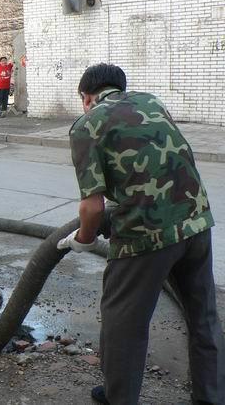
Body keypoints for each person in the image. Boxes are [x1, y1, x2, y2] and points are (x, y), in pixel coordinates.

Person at [58, 63, 225, 405]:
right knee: (204, 317)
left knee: (124, 328)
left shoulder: (87, 124)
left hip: (145, 236)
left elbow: (91, 208)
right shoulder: (152, 101)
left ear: (86, 97)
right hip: (195, 221)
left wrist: (84, 239)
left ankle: (120, 397)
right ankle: (212, 397)